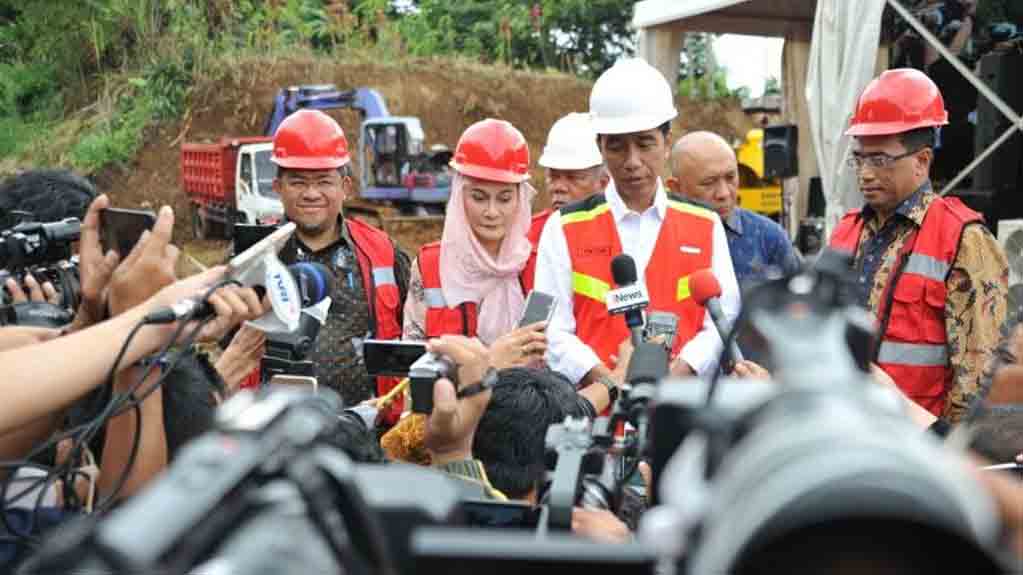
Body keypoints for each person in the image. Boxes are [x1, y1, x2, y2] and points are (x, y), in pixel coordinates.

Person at [535, 58, 740, 391]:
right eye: (616, 146)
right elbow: (552, 329)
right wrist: (609, 383)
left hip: (680, 410)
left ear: (666, 142)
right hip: (592, 415)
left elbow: (723, 315)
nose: (632, 162)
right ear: (600, 146)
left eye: (645, 144)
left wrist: (679, 374)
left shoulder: (705, 224)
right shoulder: (563, 228)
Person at [828, 68, 1008, 423]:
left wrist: (952, 454)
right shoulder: (845, 232)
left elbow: (980, 377)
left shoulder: (963, 239)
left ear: (922, 161)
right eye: (860, 158)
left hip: (918, 446)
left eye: (879, 160)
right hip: (841, 433)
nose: (865, 173)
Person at [270, 109, 411, 412]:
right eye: (297, 182)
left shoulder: (383, 252)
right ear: (278, 187)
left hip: (366, 429)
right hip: (276, 433)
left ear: (345, 187)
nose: (311, 193)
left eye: (323, 181)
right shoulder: (256, 256)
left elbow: (411, 330)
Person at [403, 118, 544, 358]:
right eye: (479, 198)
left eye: (504, 198)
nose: (491, 212)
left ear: (520, 200)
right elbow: (412, 359)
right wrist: (489, 363)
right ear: (459, 196)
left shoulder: (539, 266)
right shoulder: (430, 266)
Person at [667, 131, 800, 285]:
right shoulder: (657, 239)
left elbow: (798, 302)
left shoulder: (768, 237)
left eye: (730, 177)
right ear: (676, 188)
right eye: (709, 183)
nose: (724, 193)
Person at [524, 113, 610, 291]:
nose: (559, 187)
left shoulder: (627, 232)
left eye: (573, 177)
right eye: (553, 176)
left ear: (603, 182)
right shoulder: (526, 239)